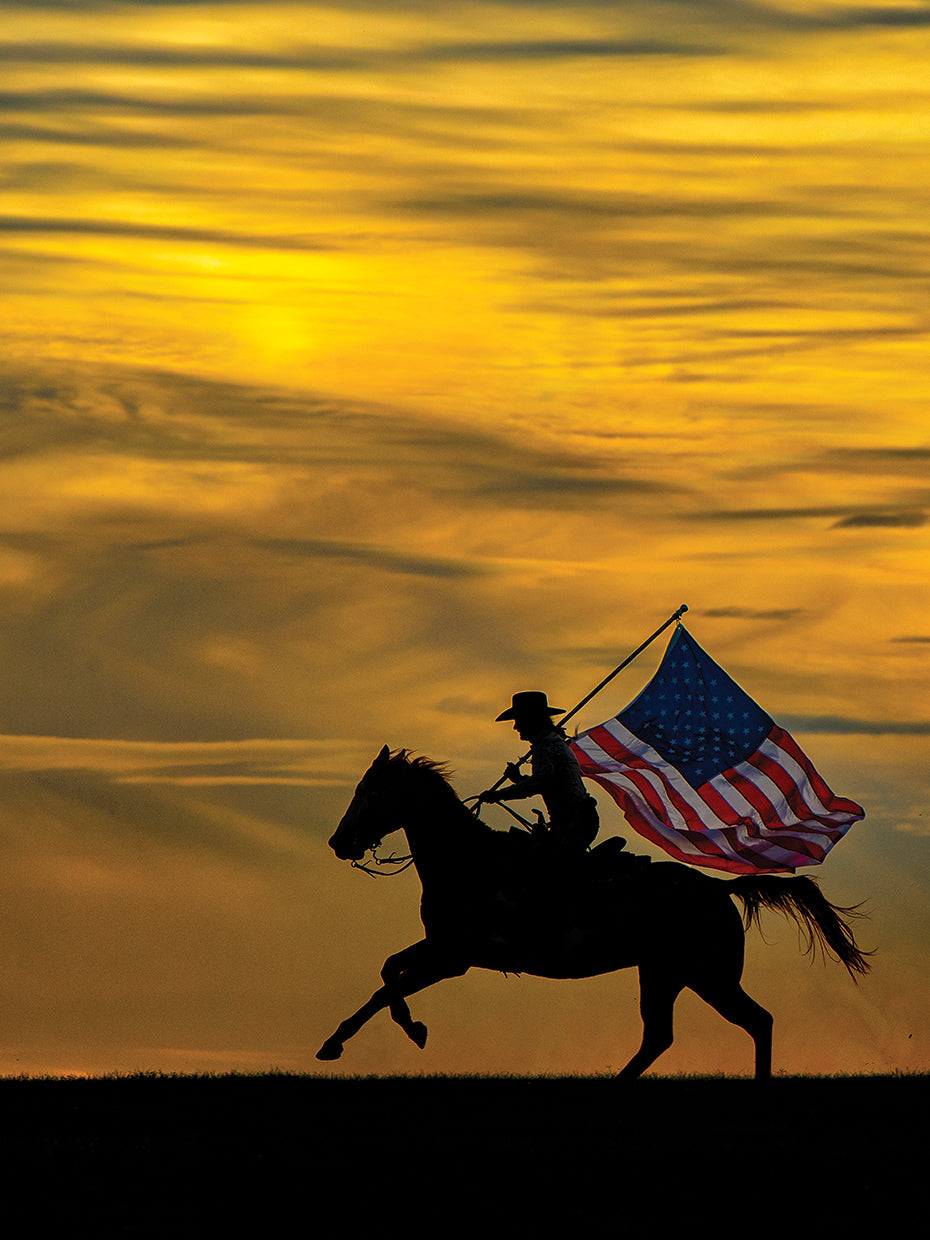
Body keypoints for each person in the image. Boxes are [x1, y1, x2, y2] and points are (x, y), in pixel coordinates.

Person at [478, 691, 599, 857]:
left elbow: (538, 784)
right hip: (576, 821)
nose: (515, 726)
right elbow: (549, 783)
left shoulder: (547, 747)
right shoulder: (551, 744)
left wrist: (497, 795)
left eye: (519, 720)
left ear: (531, 720)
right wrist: (519, 779)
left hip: (574, 823)